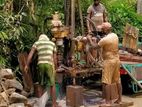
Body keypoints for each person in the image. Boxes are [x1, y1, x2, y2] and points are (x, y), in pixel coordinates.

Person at [87, 22, 122, 105]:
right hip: (116, 60)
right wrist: (100, 39)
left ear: (105, 29)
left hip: (108, 61)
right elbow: (106, 43)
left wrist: (89, 39)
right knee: (118, 81)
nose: (101, 30)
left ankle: (108, 102)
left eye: (102, 29)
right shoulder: (114, 36)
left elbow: (94, 47)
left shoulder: (105, 40)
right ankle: (119, 99)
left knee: (106, 82)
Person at [25, 34, 58, 107]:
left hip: (40, 65)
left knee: (40, 84)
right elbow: (55, 59)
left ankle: (41, 104)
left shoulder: (37, 43)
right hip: (49, 65)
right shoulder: (52, 44)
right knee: (52, 85)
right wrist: (56, 68)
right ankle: (54, 104)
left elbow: (30, 54)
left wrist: (27, 65)